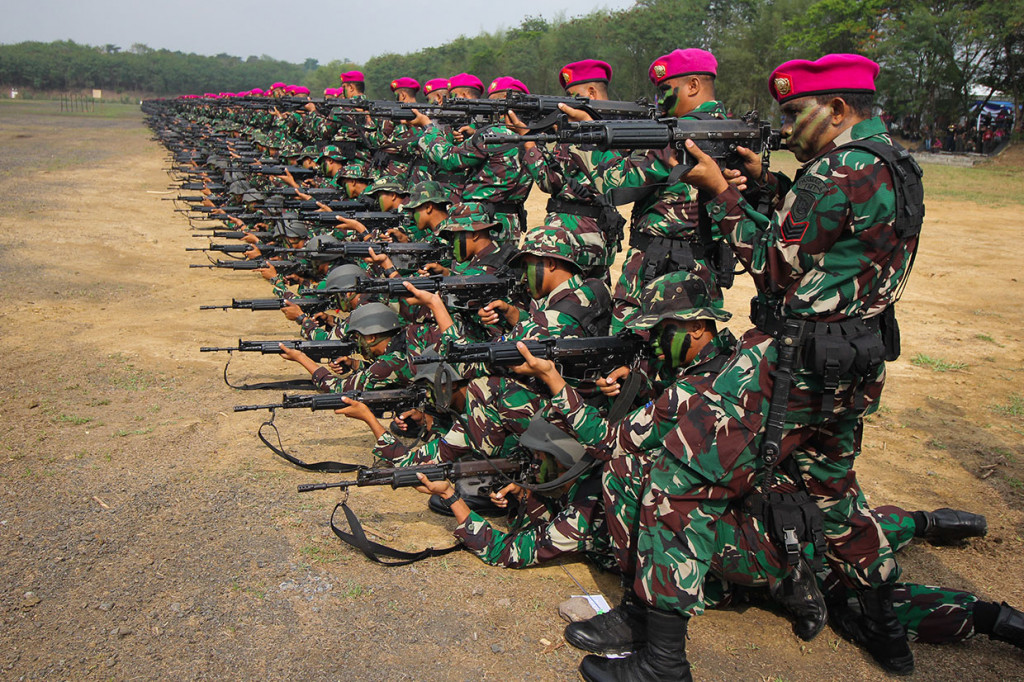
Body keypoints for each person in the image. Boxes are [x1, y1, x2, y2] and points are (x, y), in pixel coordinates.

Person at [680, 53, 925, 676]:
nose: (785, 127)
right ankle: (883, 625)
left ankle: (664, 620)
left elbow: (776, 263)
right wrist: (766, 184)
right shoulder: (893, 162)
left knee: (692, 463)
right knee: (832, 487)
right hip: (859, 354)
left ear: (837, 110)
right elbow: (839, 245)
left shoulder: (837, 170)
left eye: (795, 112)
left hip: (802, 360)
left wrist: (721, 196)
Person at [511, 59, 625, 280]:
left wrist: (528, 143)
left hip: (575, 237)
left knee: (564, 303)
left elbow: (548, 182)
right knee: (593, 298)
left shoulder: (610, 133)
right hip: (592, 234)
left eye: (573, 96)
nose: (567, 104)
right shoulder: (616, 129)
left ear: (591, 92)